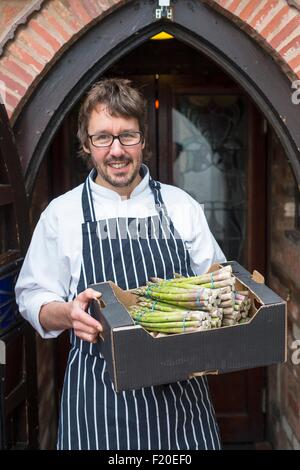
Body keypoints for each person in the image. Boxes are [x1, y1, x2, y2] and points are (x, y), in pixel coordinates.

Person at [15, 78, 226, 450]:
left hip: (180, 397)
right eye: (103, 137)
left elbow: (217, 284)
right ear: (86, 144)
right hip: (99, 398)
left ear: (143, 139)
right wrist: (68, 313)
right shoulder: (61, 215)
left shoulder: (181, 207)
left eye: (127, 136)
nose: (116, 150)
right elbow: (32, 298)